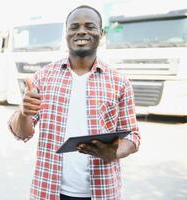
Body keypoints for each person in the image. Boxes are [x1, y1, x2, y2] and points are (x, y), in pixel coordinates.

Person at [8, 5, 141, 200]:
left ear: (101, 33)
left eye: (89, 26)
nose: (81, 31)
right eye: (74, 27)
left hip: (103, 192)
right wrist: (23, 113)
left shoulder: (119, 82)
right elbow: (21, 133)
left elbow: (133, 137)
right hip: (48, 191)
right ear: (66, 33)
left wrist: (113, 152)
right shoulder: (43, 78)